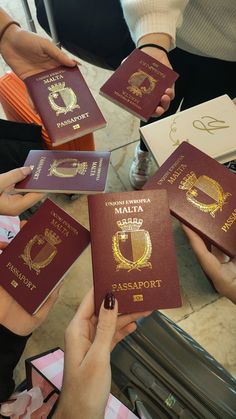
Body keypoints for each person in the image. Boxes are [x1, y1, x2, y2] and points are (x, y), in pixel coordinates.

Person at [35, 0, 236, 188]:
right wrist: (152, 41)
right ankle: (144, 150)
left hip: (230, 60)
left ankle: (184, 169)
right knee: (155, 108)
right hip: (176, 33)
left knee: (202, 122)